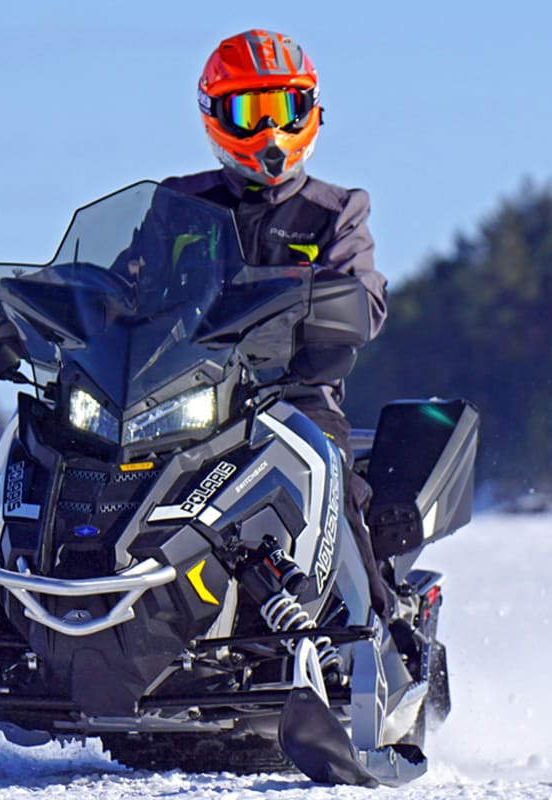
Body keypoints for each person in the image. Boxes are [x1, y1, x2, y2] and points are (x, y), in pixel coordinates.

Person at [163, 29, 392, 616]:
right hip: (181, 394)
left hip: (293, 394)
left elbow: (365, 299)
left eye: (284, 110)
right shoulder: (178, 206)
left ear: (311, 111)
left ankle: (378, 625)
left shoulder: (337, 210)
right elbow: (124, 281)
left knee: (330, 475)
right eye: (249, 112)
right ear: (216, 116)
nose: (270, 132)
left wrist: (322, 313)